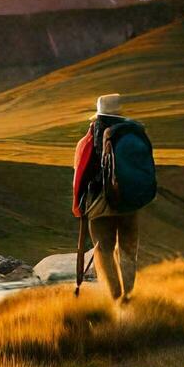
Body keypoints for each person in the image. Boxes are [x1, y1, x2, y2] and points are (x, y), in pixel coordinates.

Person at [72, 93, 142, 306]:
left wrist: (78, 206)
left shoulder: (90, 139)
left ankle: (115, 297)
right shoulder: (134, 134)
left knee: (103, 250)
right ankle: (129, 296)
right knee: (128, 250)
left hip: (100, 205)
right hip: (130, 203)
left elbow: (80, 174)